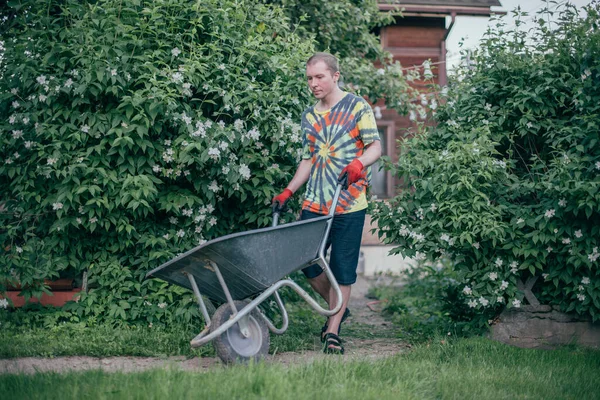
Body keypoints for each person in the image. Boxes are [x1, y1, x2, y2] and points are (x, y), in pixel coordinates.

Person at [272, 52, 382, 354]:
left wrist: (359, 164)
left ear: (335, 75)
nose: (313, 83)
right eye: (309, 78)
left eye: (319, 76)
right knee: (306, 262)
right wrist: (289, 191)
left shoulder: (357, 107)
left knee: (343, 269)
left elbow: (376, 146)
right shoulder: (309, 116)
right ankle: (338, 307)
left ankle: (333, 331)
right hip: (315, 202)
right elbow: (308, 159)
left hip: (349, 202)